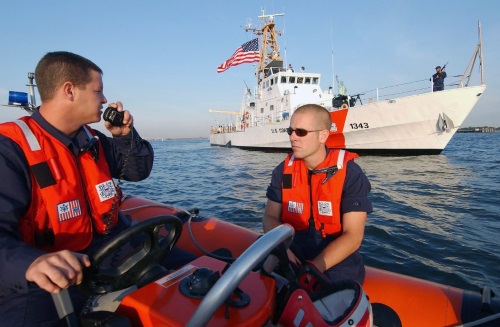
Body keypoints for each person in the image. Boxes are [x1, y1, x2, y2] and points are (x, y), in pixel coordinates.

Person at [0, 51, 156, 326]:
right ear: (70, 91)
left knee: (192, 276)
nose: (105, 100)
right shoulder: (10, 150)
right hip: (50, 276)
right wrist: (30, 263)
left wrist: (123, 137)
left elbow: (137, 171)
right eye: (98, 91)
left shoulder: (94, 141)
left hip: (113, 252)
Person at [262, 104, 372, 285]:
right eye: (290, 131)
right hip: (290, 245)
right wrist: (284, 250)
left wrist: (314, 267)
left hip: (332, 253)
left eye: (301, 132)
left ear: (323, 135)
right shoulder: (282, 171)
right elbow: (270, 217)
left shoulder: (350, 173)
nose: (292, 138)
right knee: (259, 278)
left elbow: (353, 236)